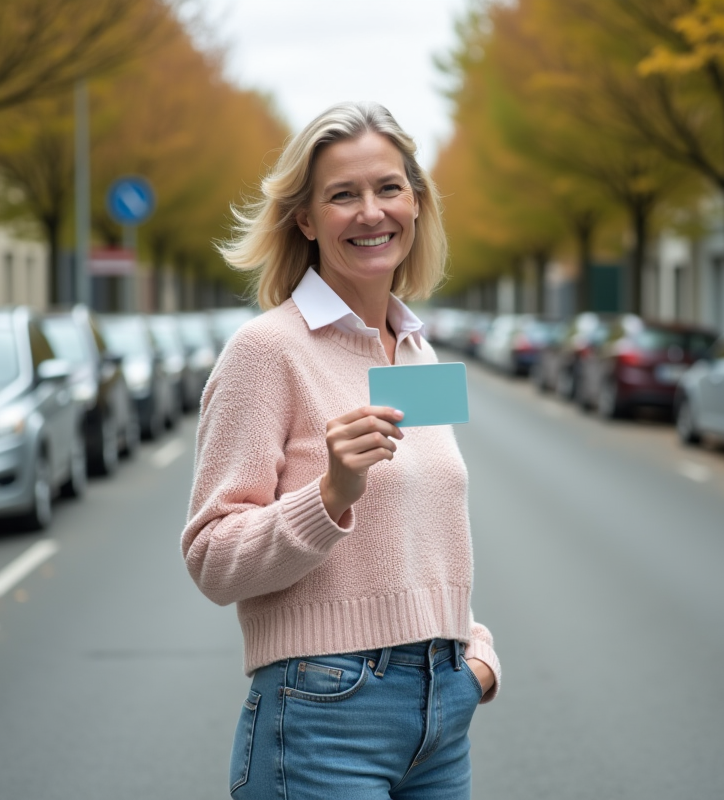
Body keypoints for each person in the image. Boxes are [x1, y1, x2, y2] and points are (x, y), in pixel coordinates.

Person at [182, 101, 501, 800]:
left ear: (416, 203)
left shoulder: (417, 349)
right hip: (324, 714)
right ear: (306, 219)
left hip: (444, 716)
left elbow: (422, 526)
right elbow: (211, 559)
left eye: (388, 188)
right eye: (342, 195)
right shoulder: (266, 351)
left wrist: (471, 647)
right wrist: (329, 496)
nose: (370, 212)